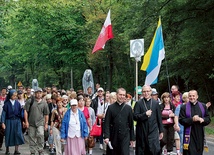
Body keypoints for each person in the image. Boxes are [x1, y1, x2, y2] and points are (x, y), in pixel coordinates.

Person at [133, 85, 163, 155]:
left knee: (154, 149)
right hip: (142, 130)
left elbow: (159, 118)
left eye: (147, 91)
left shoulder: (155, 103)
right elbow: (135, 117)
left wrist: (161, 131)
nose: (146, 93)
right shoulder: (138, 103)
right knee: (142, 150)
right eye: (144, 91)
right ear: (142, 93)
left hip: (153, 131)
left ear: (151, 92)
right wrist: (145, 115)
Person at [104, 88, 135, 155]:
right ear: (117, 95)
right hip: (113, 135)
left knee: (124, 153)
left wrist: (132, 138)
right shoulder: (110, 108)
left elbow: (131, 124)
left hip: (125, 136)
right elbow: (107, 123)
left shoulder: (128, 108)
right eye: (120, 95)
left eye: (123, 95)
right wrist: (106, 136)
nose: (122, 96)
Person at [179, 90, 211, 155]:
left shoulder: (203, 106)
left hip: (200, 134)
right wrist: (192, 119)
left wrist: (203, 119)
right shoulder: (184, 107)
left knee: (199, 152)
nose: (192, 97)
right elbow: (181, 120)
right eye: (190, 96)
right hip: (189, 135)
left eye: (193, 96)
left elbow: (208, 119)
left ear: (197, 96)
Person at [24, 87, 49, 155]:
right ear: (34, 93)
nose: (38, 94)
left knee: (41, 134)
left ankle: (40, 149)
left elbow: (46, 114)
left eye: (40, 93)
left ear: (42, 94)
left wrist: (46, 123)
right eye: (37, 93)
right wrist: (26, 121)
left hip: (40, 123)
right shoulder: (30, 101)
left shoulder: (44, 103)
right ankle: (32, 151)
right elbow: (26, 111)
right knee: (31, 137)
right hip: (31, 122)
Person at [1, 89, 25, 155]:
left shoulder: (17, 103)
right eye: (14, 96)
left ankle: (16, 150)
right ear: (10, 96)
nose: (15, 97)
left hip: (17, 121)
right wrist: (3, 122)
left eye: (15, 96)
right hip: (9, 121)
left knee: (17, 134)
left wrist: (23, 121)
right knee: (8, 135)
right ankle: (7, 150)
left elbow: (20, 113)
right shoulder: (6, 104)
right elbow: (3, 114)